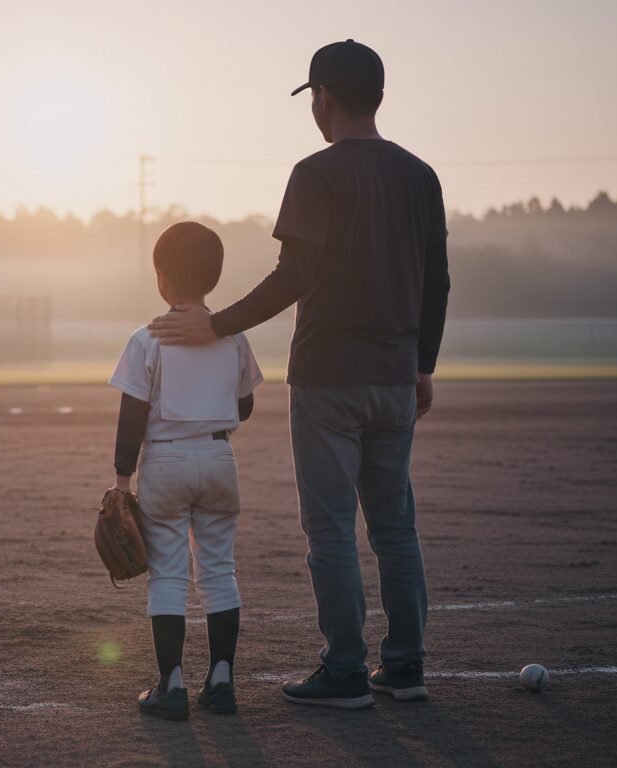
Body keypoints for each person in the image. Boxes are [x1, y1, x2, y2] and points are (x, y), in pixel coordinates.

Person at [148, 39, 450, 709]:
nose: (313, 107)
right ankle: (405, 667)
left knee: (332, 528)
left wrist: (217, 323)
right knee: (395, 525)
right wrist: (421, 365)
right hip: (395, 375)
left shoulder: (316, 173)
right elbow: (437, 283)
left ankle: (344, 671)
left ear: (326, 98)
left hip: (329, 376)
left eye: (314, 96)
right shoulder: (420, 175)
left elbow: (296, 274)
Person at [108, 221, 265, 720]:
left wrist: (120, 481)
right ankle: (221, 682)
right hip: (219, 459)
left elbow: (132, 415)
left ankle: (170, 686)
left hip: (166, 460)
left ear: (162, 280)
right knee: (219, 571)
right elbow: (244, 408)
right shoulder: (232, 335)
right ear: (214, 278)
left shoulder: (147, 337)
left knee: (169, 576)